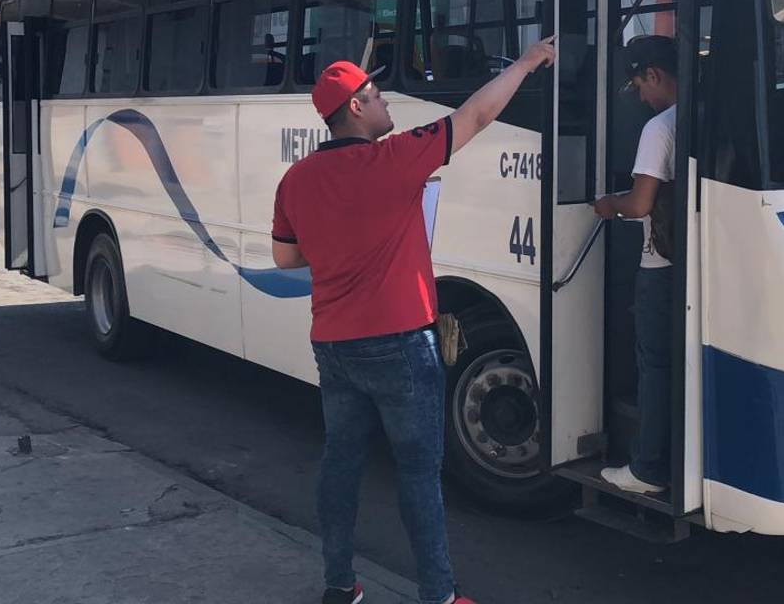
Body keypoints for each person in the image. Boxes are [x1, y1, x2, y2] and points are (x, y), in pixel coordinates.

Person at [271, 38, 556, 604]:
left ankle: (339, 585)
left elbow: (285, 257)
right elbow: (476, 115)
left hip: (334, 346)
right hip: (399, 344)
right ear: (355, 107)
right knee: (418, 473)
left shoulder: (296, 179)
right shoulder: (394, 158)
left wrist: (334, 245)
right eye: (377, 95)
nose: (385, 103)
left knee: (341, 464)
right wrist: (525, 62)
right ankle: (439, 595)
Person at [592, 34, 678, 495]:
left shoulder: (659, 128)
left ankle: (647, 468)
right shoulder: (706, 115)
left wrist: (610, 204)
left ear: (654, 75)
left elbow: (641, 203)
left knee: (655, 365)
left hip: (660, 264)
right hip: (695, 262)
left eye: (641, 86)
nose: (641, 98)